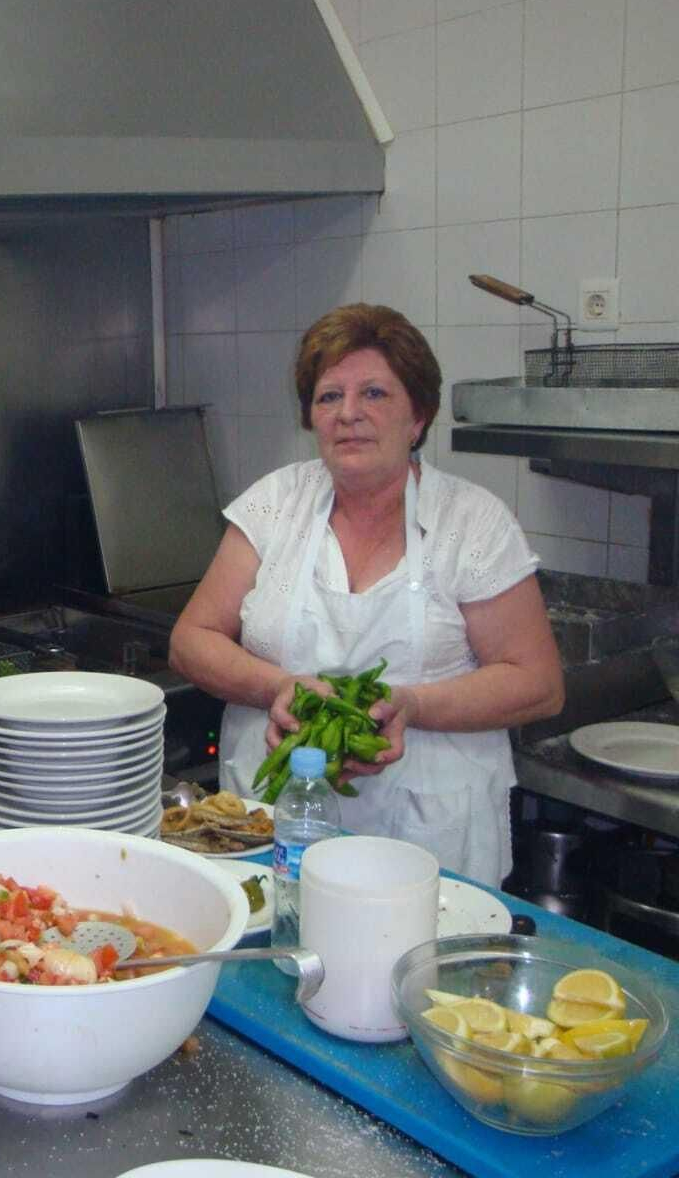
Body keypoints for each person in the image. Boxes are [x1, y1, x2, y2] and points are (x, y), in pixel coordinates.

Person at [168, 303, 563, 886]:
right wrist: (279, 686)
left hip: (430, 841)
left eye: (375, 393)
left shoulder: (473, 522)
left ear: (419, 416)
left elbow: (538, 682)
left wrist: (414, 705)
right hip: (273, 827)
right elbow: (190, 640)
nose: (348, 414)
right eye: (329, 397)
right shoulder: (275, 504)